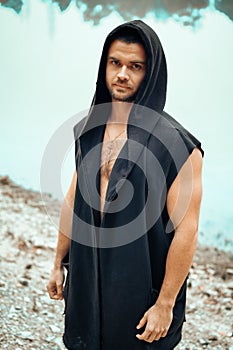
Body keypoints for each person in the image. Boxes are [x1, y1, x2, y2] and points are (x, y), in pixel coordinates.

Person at [47, 20, 203, 350]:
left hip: (140, 289)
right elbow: (74, 198)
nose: (122, 74)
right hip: (87, 283)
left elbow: (186, 230)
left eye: (135, 67)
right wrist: (58, 264)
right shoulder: (88, 131)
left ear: (151, 73)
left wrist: (166, 305)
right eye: (115, 63)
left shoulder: (178, 146)